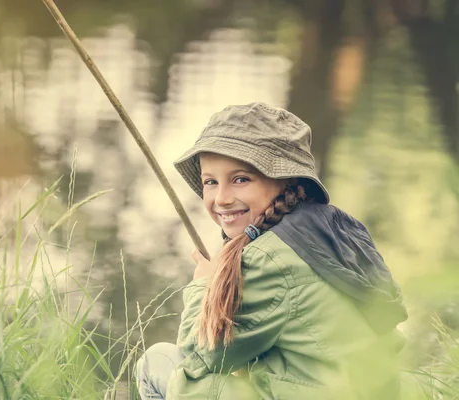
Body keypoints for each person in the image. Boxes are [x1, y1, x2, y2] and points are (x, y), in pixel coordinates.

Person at [135, 102, 408, 400]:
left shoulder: (270, 260)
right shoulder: (331, 229)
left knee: (158, 362)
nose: (222, 198)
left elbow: (198, 358)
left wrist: (204, 284)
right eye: (211, 182)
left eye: (241, 179)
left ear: (286, 181)